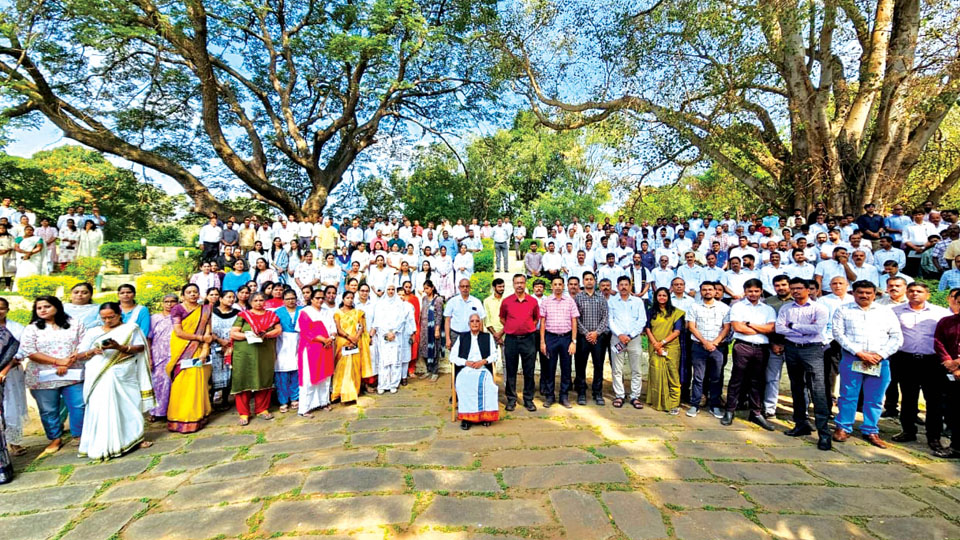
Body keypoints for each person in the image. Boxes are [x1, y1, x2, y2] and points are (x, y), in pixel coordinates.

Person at [77, 303, 155, 460]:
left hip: (124, 372)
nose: (107, 320)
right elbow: (80, 354)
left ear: (119, 314)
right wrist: (93, 351)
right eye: (104, 318)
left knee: (129, 405)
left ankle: (135, 439)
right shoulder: (93, 332)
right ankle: (103, 443)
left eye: (111, 317)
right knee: (102, 408)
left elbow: (140, 348)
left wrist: (120, 347)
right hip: (99, 373)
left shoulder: (131, 328)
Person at [831, 280, 903, 449]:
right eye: (860, 292)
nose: (864, 295)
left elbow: (896, 337)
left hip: (879, 360)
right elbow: (838, 334)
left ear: (875, 294)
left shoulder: (885, 312)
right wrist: (859, 353)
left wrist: (880, 355)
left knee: (875, 397)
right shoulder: (843, 310)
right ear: (853, 293)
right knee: (848, 395)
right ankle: (843, 426)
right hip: (853, 358)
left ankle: (871, 429)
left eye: (868, 293)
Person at [20, 296, 87, 457]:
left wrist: (68, 362)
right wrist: (58, 361)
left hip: (72, 372)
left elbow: (84, 343)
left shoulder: (74, 324)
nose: (42, 310)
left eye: (47, 306)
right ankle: (55, 438)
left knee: (79, 404)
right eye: (39, 308)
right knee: (48, 410)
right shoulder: (32, 328)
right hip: (43, 376)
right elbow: (30, 351)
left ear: (57, 307)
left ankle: (79, 435)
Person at [889, 282, 951, 455]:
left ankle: (934, 437)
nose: (915, 294)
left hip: (932, 362)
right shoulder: (896, 311)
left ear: (927, 294)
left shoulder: (940, 313)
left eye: (919, 291)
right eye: (911, 291)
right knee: (908, 397)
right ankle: (908, 431)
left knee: (934, 401)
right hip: (905, 359)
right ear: (906, 293)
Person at [776, 277, 832, 450]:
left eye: (799, 288)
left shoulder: (819, 308)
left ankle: (824, 434)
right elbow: (779, 328)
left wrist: (792, 326)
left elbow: (817, 329)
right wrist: (802, 330)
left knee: (817, 389)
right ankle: (801, 424)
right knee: (797, 387)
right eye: (793, 288)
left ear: (809, 290)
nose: (795, 291)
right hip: (792, 349)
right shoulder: (786, 308)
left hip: (813, 349)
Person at [721, 279, 776, 430]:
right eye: (750, 291)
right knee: (737, 379)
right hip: (742, 346)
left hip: (761, 348)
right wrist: (760, 328)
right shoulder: (738, 307)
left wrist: (750, 324)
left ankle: (756, 412)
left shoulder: (768, 309)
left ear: (761, 291)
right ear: (745, 292)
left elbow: (771, 328)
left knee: (757, 381)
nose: (753, 294)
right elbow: (738, 327)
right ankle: (730, 410)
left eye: (756, 291)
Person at [167, 283, 214, 433]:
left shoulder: (205, 310)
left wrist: (205, 347)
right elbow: (179, 332)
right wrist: (199, 338)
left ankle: (198, 416)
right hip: (182, 348)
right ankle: (179, 417)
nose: (193, 294)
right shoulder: (178, 309)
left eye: (195, 292)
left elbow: (208, 330)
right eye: (189, 292)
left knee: (198, 381)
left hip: (199, 349)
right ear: (183, 295)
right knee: (182, 382)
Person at [230, 292, 281, 425]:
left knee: (264, 378)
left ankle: (262, 409)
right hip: (245, 353)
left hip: (265, 352)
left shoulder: (271, 315)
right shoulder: (244, 315)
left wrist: (266, 334)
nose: (259, 303)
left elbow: (278, 330)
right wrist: (250, 335)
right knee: (243, 379)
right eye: (256, 300)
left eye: (261, 300)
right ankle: (244, 413)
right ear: (251, 302)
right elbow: (234, 333)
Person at [685, 281, 730, 418]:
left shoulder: (724, 308)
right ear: (701, 292)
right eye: (704, 290)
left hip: (717, 347)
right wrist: (705, 342)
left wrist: (714, 343)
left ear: (715, 291)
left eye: (710, 289)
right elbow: (692, 327)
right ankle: (695, 405)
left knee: (716, 377)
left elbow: (726, 327)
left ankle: (714, 405)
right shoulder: (694, 307)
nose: (707, 292)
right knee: (698, 377)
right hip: (699, 346)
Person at [607, 276, 651, 409]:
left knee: (636, 369)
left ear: (630, 286)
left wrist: (630, 335)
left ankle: (635, 396)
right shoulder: (612, 302)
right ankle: (619, 395)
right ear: (617, 286)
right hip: (617, 339)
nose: (624, 287)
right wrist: (620, 334)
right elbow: (610, 320)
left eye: (626, 284)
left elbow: (642, 320)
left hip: (634, 339)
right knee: (617, 369)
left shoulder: (637, 302)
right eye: (621, 285)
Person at [451, 313, 499, 430]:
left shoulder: (487, 337)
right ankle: (467, 418)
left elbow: (495, 354)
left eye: (477, 321)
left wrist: (484, 361)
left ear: (480, 323)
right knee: (463, 384)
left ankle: (485, 416)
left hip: (482, 369)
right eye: (472, 321)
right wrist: (465, 362)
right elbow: (452, 356)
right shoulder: (462, 338)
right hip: (466, 369)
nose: (475, 323)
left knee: (488, 385)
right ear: (469, 324)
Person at [500, 274, 540, 412]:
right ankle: (511, 399)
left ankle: (528, 399)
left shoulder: (532, 301)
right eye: (517, 283)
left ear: (525, 284)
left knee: (529, 370)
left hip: (529, 339)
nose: (519, 285)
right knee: (511, 370)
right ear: (513, 284)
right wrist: (513, 327)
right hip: (511, 340)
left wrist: (526, 327)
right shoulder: (507, 301)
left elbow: (535, 319)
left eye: (522, 282)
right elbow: (503, 319)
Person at [539, 276, 580, 408]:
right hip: (551, 338)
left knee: (566, 368)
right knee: (549, 368)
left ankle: (564, 396)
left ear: (563, 286)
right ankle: (550, 396)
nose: (557, 287)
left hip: (566, 338)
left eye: (560, 284)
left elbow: (574, 321)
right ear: (551, 286)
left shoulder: (569, 301)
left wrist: (573, 341)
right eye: (555, 284)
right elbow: (542, 322)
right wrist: (542, 342)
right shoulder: (546, 302)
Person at [297, 289, 336, 415]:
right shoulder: (304, 312)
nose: (320, 300)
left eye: (322, 298)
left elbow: (332, 328)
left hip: (326, 348)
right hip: (311, 348)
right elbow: (306, 331)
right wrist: (323, 339)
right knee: (309, 378)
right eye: (317, 298)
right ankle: (305, 408)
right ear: (311, 299)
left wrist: (331, 338)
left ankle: (323, 402)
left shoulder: (327, 311)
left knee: (325, 376)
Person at [573, 271, 609, 406]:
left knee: (598, 366)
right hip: (583, 337)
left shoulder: (601, 298)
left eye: (591, 279)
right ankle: (581, 393)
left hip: (598, 338)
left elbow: (605, 317)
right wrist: (587, 333)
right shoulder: (578, 298)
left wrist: (596, 333)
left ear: (595, 281)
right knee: (580, 366)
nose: (589, 281)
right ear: (583, 282)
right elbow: (575, 318)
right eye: (586, 279)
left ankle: (597, 393)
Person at [932, 288, 960, 459]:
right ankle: (956, 446)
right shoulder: (946, 321)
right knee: (954, 410)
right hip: (950, 372)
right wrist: (950, 364)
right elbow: (938, 342)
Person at [332, 290, 371, 405]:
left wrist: (355, 338)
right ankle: (339, 393)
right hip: (343, 342)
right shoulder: (338, 313)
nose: (349, 300)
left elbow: (361, 327)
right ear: (343, 299)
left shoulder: (358, 312)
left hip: (355, 342)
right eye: (347, 297)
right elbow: (338, 329)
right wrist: (349, 337)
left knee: (354, 368)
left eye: (351, 298)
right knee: (342, 368)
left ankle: (352, 393)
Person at [371, 284, 411, 394]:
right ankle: (383, 385)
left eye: (393, 289)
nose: (390, 291)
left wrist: (393, 332)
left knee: (395, 360)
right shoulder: (380, 304)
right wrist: (386, 332)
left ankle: (394, 384)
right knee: (384, 361)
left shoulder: (400, 305)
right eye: (388, 289)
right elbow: (377, 320)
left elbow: (402, 320)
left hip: (396, 336)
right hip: (383, 336)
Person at [146, 294, 178, 422]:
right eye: (167, 302)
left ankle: (172, 410)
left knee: (173, 382)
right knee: (158, 382)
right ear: (162, 303)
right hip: (158, 353)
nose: (169, 304)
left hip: (175, 353)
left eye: (173, 301)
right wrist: (149, 357)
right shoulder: (154, 318)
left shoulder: (179, 317)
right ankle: (156, 411)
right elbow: (149, 338)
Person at [273, 289, 302, 413]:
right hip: (282, 343)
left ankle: (295, 397)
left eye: (293, 298)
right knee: (282, 374)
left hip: (299, 341)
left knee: (297, 371)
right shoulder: (277, 312)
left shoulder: (302, 311)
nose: (291, 301)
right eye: (288, 299)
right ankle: (283, 400)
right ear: (283, 300)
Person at [419, 280, 445, 381]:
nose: (425, 290)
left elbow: (439, 315)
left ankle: (435, 371)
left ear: (432, 288)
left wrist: (437, 329)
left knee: (434, 349)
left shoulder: (438, 299)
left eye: (427, 288)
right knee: (424, 349)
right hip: (424, 327)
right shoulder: (424, 298)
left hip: (433, 327)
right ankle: (428, 370)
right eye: (424, 288)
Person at [12, 225, 44, 290]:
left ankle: (34, 288)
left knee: (34, 271)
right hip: (22, 258)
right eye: (27, 230)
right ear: (24, 231)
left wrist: (30, 253)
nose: (29, 231)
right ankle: (19, 288)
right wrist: (25, 253)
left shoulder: (37, 238)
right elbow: (16, 247)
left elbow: (39, 247)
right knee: (22, 272)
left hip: (35, 258)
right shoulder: (19, 238)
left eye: (31, 230)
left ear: (33, 231)